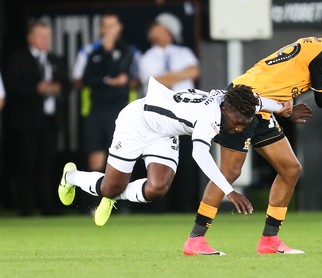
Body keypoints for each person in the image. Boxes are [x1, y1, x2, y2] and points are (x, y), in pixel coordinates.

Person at [183, 16, 322, 256]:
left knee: (290, 169)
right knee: (230, 171)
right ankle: (195, 240)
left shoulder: (315, 50)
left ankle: (269, 240)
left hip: (263, 107)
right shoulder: (319, 55)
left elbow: (280, 77)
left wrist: (286, 109)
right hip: (242, 103)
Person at [58, 77, 290, 230]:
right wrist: (230, 191)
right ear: (225, 109)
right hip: (136, 123)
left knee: (157, 189)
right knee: (110, 187)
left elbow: (257, 102)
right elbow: (200, 154)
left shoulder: (231, 101)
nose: (238, 129)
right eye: (238, 123)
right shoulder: (208, 117)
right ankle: (71, 177)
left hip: (163, 133)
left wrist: (284, 109)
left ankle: (115, 197)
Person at [2, 20, 70, 216]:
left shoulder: (55, 59)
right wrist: (37, 89)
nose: (45, 40)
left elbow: (67, 85)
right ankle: (25, 208)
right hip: (26, 122)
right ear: (30, 38)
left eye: (47, 36)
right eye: (41, 36)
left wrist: (56, 88)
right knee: (26, 164)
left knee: (47, 165)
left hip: (50, 121)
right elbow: (12, 87)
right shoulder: (18, 58)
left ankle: (48, 206)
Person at [138, 12, 200, 212]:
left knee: (188, 163)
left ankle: (187, 208)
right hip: (161, 118)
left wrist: (168, 77)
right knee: (160, 162)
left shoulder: (183, 52)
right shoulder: (147, 56)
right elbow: (153, 82)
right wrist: (179, 75)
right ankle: (158, 209)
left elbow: (194, 71)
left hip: (187, 116)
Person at [72, 12, 133, 174]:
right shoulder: (93, 52)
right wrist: (107, 80)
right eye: (104, 26)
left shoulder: (127, 50)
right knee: (95, 157)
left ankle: (120, 199)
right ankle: (95, 198)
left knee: (121, 158)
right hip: (96, 109)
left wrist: (104, 76)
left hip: (119, 110)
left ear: (119, 28)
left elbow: (122, 75)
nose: (107, 30)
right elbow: (86, 79)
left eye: (111, 26)